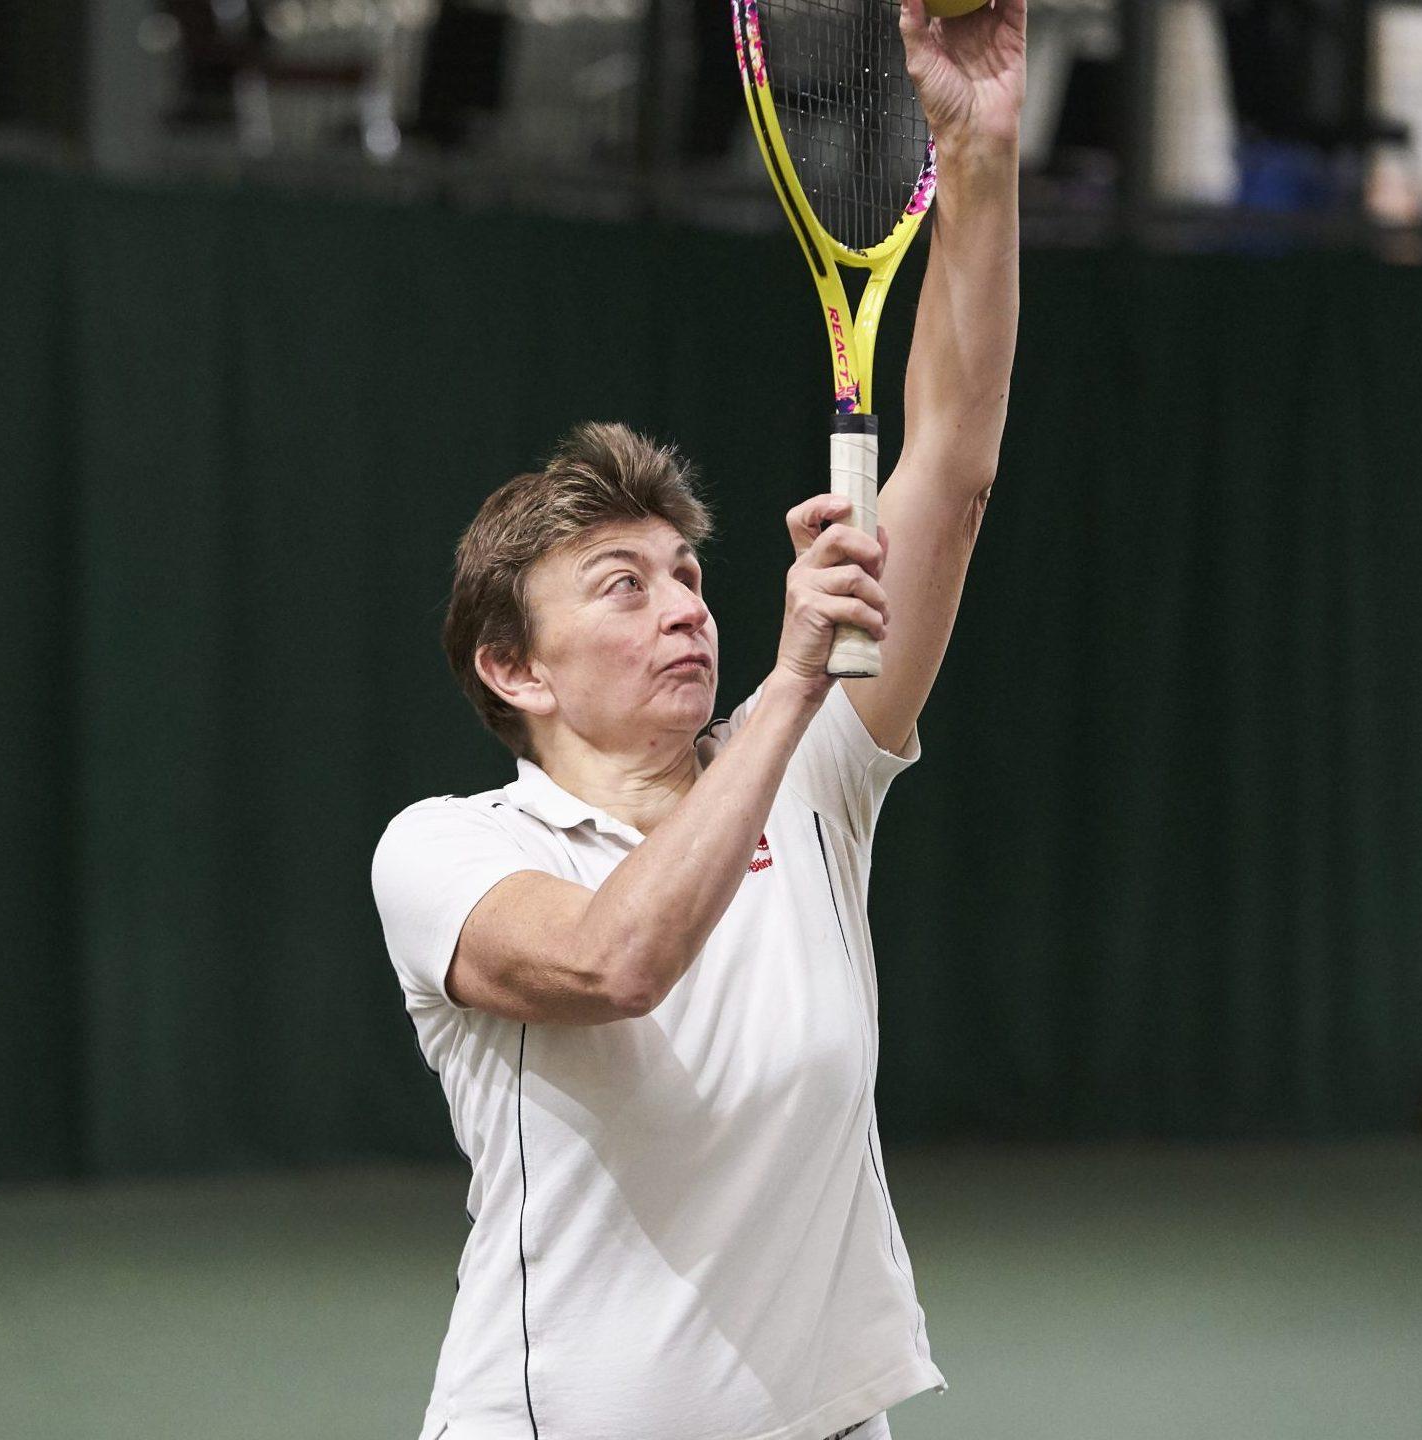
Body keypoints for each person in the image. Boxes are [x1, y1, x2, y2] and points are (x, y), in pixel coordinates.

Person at [369, 3, 1023, 1436]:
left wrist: (977, 150)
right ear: (512, 671)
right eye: (619, 587)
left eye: (686, 576)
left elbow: (954, 464)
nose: (680, 608)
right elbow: (614, 966)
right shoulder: (446, 854)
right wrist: (793, 681)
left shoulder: (813, 776)